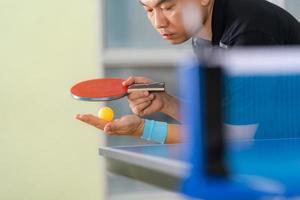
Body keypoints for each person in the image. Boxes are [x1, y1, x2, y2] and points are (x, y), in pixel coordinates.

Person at [76, 0, 300, 144]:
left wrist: (143, 129)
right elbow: (220, 122)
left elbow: (237, 137)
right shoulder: (203, 37)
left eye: (168, 7)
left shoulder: (249, 30)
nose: (158, 22)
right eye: (149, 10)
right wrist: (167, 103)